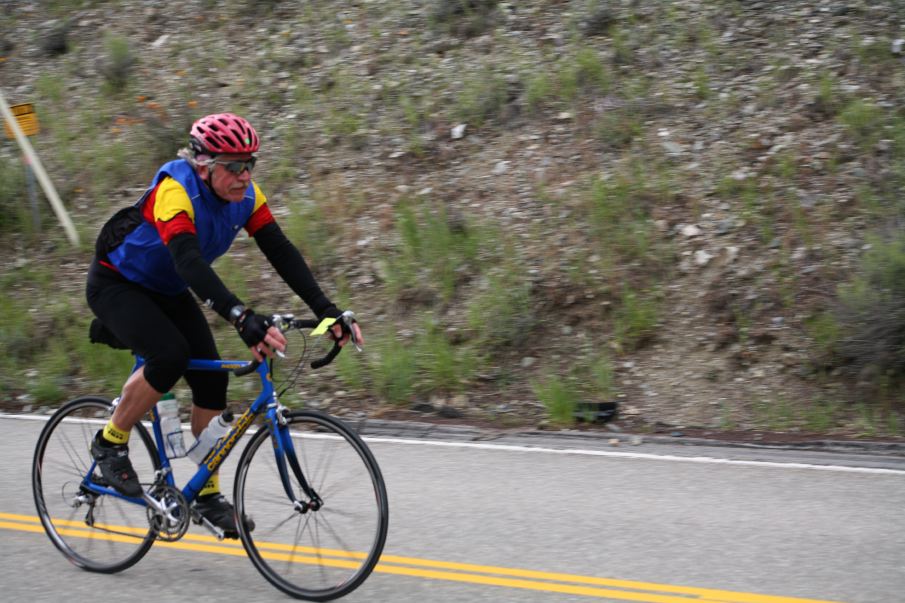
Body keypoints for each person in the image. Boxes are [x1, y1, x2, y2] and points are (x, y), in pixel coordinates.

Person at [86, 112, 363, 538]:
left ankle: (206, 494)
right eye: (233, 166)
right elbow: (189, 261)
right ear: (204, 165)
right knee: (170, 356)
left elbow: (280, 250)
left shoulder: (246, 194)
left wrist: (327, 309)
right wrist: (240, 316)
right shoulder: (174, 190)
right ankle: (110, 441)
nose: (243, 175)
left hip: (168, 288)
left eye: (249, 164)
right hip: (118, 283)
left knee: (212, 382)